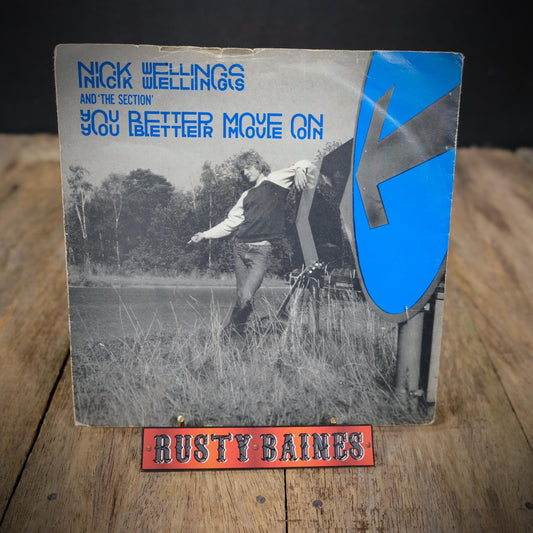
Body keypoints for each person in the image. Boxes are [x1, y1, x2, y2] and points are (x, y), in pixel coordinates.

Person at [189, 150, 316, 335]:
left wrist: (299, 169)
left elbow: (307, 163)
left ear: (258, 165)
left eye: (248, 168)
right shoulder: (246, 195)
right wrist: (204, 235)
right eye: (242, 170)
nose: (245, 173)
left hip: (261, 251)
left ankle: (228, 332)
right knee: (242, 298)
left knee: (245, 295)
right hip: (240, 248)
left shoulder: (275, 180)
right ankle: (238, 335)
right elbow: (230, 223)